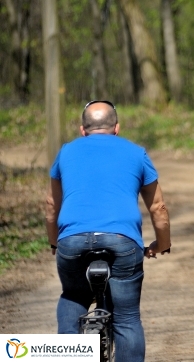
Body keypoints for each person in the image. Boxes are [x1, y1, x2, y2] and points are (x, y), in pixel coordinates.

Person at [45, 100, 171, 362]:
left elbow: (51, 205)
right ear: (117, 128)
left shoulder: (66, 152)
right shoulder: (137, 153)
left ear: (83, 129)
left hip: (72, 240)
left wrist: (55, 242)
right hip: (122, 241)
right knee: (126, 316)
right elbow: (158, 207)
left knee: (73, 295)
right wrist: (161, 244)